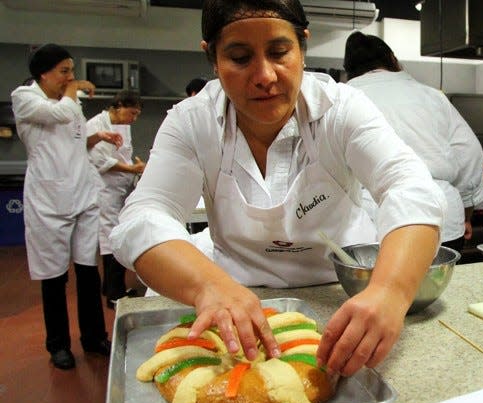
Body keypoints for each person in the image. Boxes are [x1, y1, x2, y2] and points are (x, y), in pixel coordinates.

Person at [110, 0, 445, 377]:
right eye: (239, 58)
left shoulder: (341, 109)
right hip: (235, 303)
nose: (265, 75)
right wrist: (208, 287)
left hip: (343, 300)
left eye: (279, 52)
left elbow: (408, 185)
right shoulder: (193, 122)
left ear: (303, 45)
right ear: (212, 58)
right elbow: (145, 215)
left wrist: (390, 291)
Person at [11, 44, 121, 370]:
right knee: (54, 276)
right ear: (43, 73)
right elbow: (61, 115)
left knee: (88, 271)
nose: (70, 78)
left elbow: (72, 140)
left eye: (71, 71)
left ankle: (94, 337)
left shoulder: (68, 102)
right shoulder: (25, 98)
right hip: (49, 199)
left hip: (83, 193)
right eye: (64, 71)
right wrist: (74, 91)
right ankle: (58, 345)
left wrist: (96, 136)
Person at [343, 31, 483, 253]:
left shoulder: (342, 98)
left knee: (377, 287)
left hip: (372, 222)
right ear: (392, 58)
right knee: (440, 287)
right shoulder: (432, 96)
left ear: (349, 69)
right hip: (442, 219)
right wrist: (466, 212)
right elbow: (469, 153)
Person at [86, 90, 146, 308]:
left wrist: (134, 169)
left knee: (114, 236)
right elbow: (101, 161)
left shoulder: (122, 127)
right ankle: (115, 294)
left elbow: (124, 154)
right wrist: (132, 169)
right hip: (103, 191)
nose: (133, 119)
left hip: (119, 188)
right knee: (112, 240)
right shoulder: (96, 125)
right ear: (118, 106)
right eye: (132, 113)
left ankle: (109, 286)